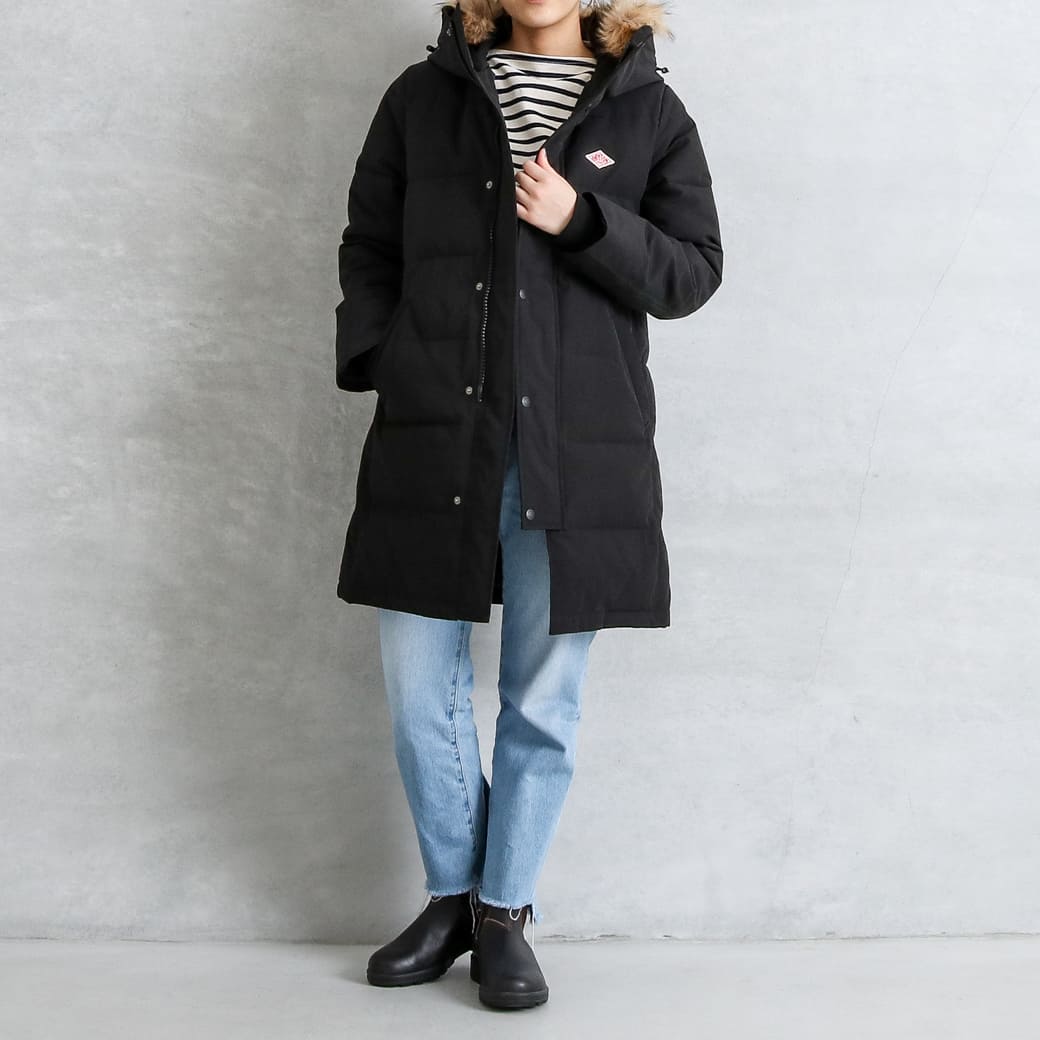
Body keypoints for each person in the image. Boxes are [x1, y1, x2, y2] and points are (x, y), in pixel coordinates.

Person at [334, 0, 723, 1011]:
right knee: (419, 693)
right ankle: (451, 898)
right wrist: (389, 361)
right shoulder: (421, 100)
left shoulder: (649, 113)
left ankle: (502, 912)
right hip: (435, 437)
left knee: (541, 699)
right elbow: (370, 245)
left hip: (576, 449)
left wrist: (582, 221)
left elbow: (691, 272)